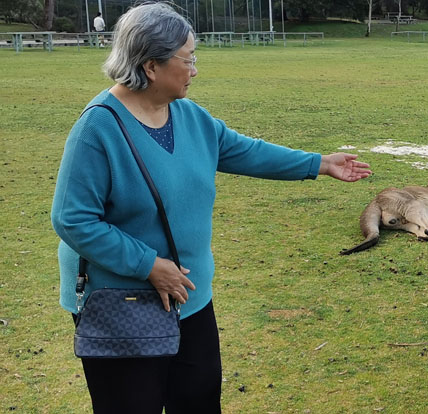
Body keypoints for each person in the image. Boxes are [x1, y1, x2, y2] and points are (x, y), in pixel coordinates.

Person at [50, 3, 371, 413]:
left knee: (199, 401)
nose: (195, 69)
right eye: (188, 59)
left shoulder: (187, 116)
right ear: (151, 65)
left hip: (190, 296)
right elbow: (72, 219)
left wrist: (319, 164)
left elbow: (243, 151)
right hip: (124, 304)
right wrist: (148, 265)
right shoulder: (97, 130)